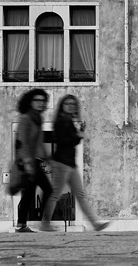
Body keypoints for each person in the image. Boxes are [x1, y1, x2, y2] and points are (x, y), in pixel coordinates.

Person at [38, 94, 109, 232]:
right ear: (62, 106)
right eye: (67, 104)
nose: (71, 106)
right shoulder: (60, 122)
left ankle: (95, 224)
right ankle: (45, 223)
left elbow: (74, 141)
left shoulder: (69, 121)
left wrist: (79, 133)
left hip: (70, 163)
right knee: (56, 194)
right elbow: (64, 141)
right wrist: (77, 135)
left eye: (73, 104)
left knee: (80, 195)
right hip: (61, 163)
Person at [14, 89, 52, 233]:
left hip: (35, 161)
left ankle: (21, 225)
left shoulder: (38, 119)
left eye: (43, 101)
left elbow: (39, 142)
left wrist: (47, 158)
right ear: (30, 102)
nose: (41, 103)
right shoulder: (26, 118)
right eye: (37, 100)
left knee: (29, 194)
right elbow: (21, 142)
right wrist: (28, 164)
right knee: (47, 189)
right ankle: (42, 221)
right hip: (28, 162)